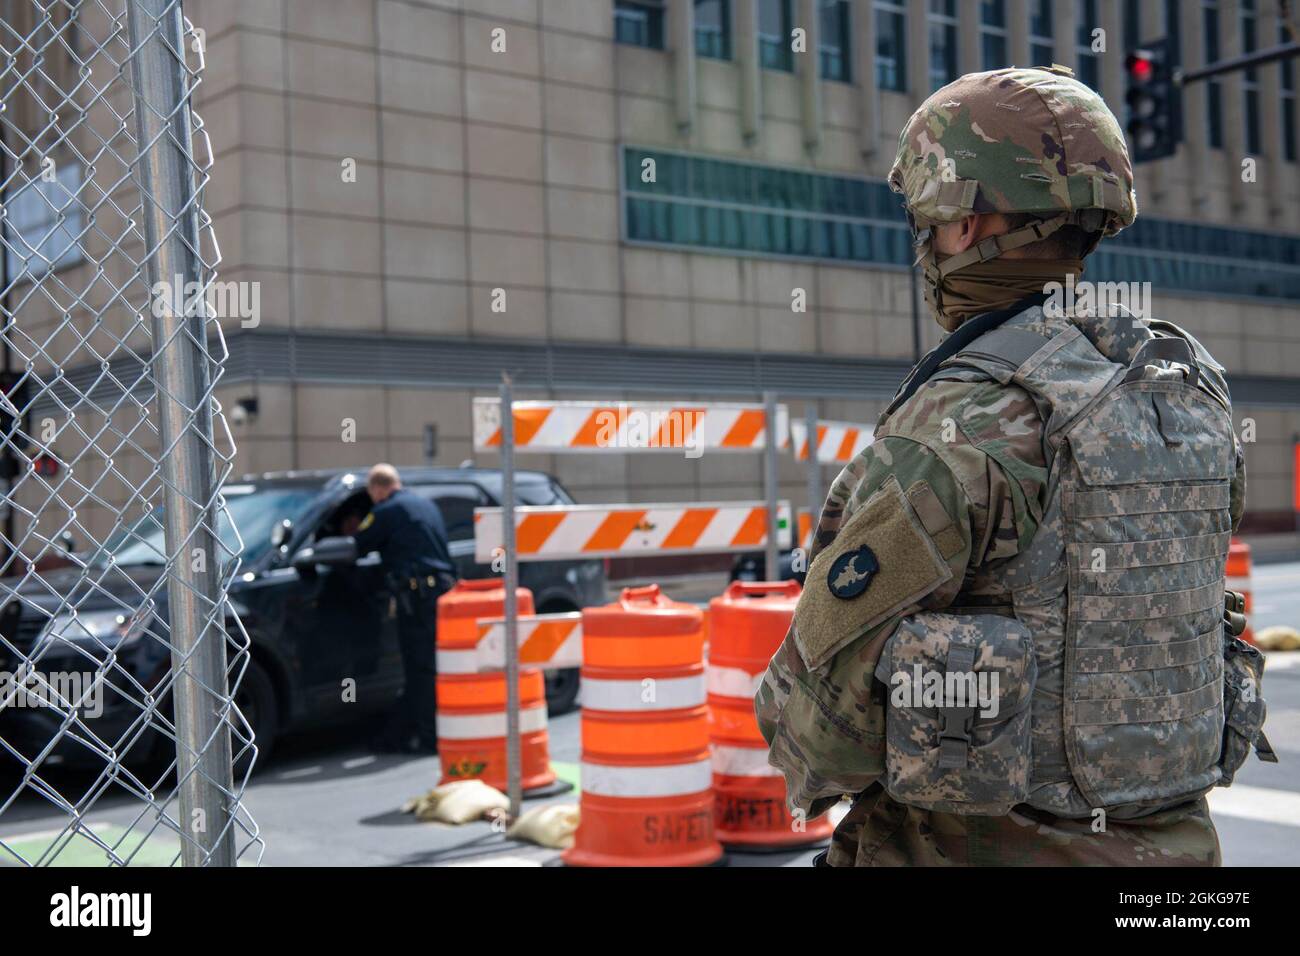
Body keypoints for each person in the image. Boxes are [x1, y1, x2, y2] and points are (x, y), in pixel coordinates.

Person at [756, 65, 1274, 866]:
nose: (925, 241)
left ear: (968, 222)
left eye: (927, 219)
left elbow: (819, 728)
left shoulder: (963, 418)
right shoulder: (1184, 385)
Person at [353, 463, 456, 754]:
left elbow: (357, 546)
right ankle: (407, 733)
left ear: (378, 489)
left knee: (419, 668)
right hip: (443, 594)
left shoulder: (384, 512)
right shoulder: (426, 505)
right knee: (433, 666)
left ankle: (428, 737)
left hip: (418, 598)